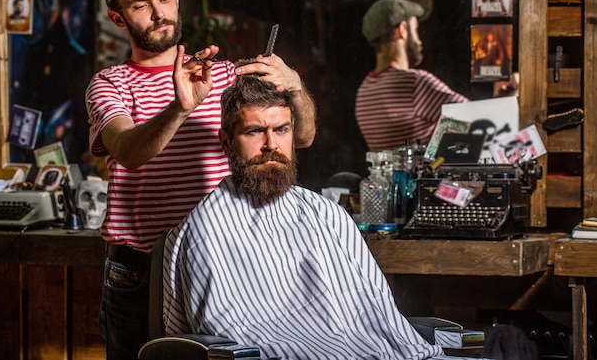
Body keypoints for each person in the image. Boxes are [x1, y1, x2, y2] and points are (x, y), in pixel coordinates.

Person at [85, 0, 316, 360]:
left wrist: (294, 85)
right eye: (141, 5)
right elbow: (129, 151)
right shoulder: (110, 84)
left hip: (223, 263)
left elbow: (303, 137)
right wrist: (180, 107)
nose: (159, 13)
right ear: (118, 18)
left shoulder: (226, 76)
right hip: (139, 273)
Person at [162, 71, 445, 359]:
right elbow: (223, 333)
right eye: (254, 131)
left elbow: (377, 314)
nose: (271, 144)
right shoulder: (206, 231)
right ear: (226, 142)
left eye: (281, 130)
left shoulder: (327, 215)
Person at [355, 0, 517, 152]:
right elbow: (482, 122)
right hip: (429, 180)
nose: (420, 41)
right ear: (402, 30)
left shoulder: (364, 91)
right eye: (416, 30)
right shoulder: (413, 83)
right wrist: (509, 95)